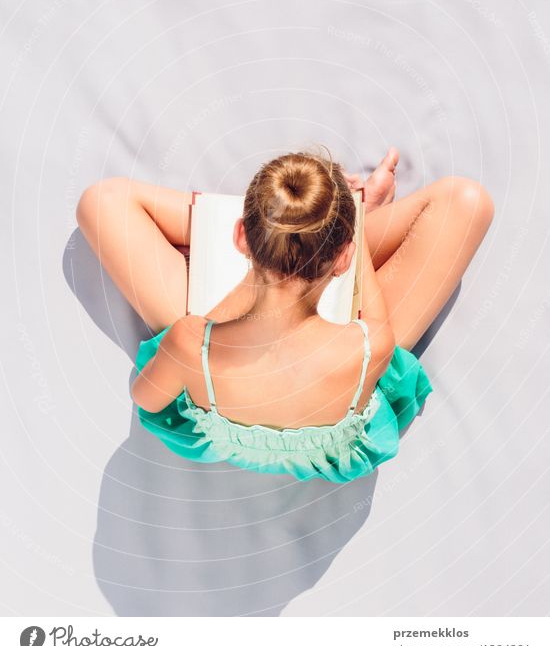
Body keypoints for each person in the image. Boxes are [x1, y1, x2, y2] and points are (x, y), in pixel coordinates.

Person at [76, 146, 494, 482]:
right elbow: (366, 298)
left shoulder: (190, 341)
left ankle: (286, 231)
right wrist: (355, 215)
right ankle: (312, 233)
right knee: (469, 201)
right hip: (344, 380)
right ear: (345, 256)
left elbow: (146, 400)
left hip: (217, 364)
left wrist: (262, 259)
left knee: (102, 201)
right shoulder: (369, 346)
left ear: (240, 237)